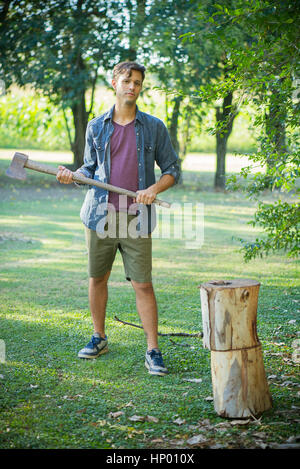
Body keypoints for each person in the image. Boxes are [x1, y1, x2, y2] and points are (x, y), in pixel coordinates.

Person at [56, 61, 180, 376]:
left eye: (137, 82)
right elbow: (89, 169)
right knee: (97, 278)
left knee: (143, 283)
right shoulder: (96, 126)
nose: (132, 87)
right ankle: (99, 338)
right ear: (115, 83)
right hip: (100, 215)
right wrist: (74, 176)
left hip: (136, 217)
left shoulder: (153, 127)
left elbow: (172, 170)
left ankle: (153, 349)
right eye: (127, 80)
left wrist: (152, 189)